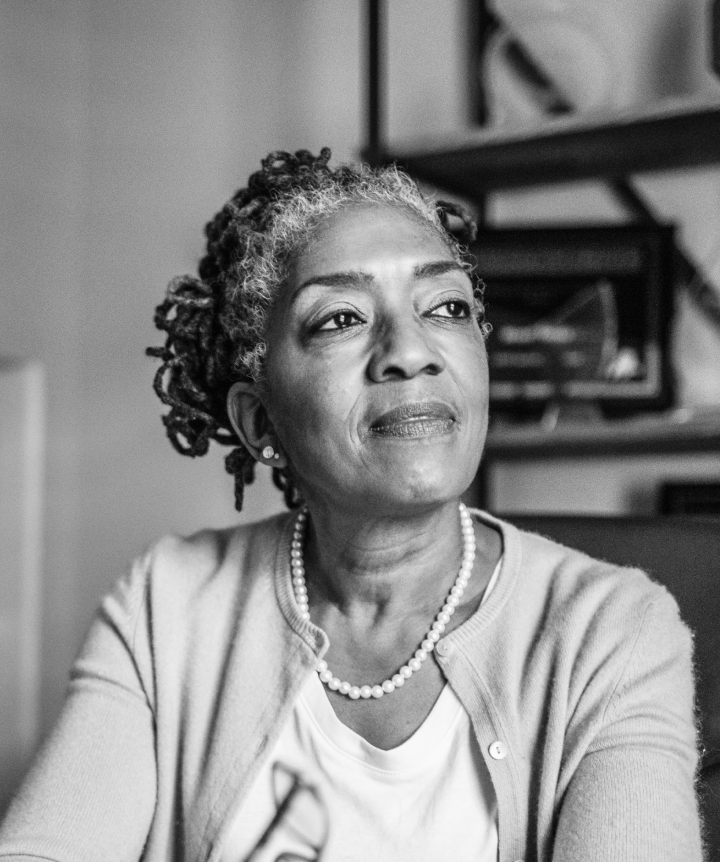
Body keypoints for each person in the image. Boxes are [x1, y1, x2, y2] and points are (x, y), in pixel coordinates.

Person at [0, 148, 702, 862]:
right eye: (339, 318)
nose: (411, 350)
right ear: (261, 423)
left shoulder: (613, 631)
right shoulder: (165, 607)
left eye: (448, 307)